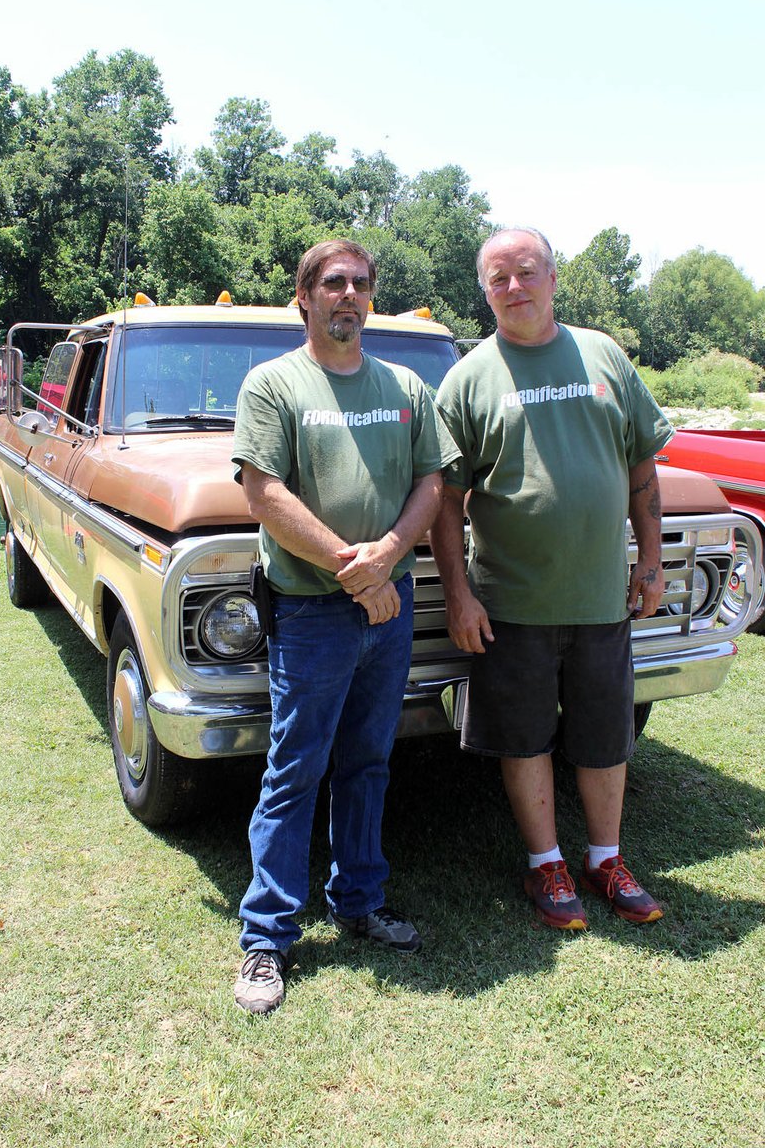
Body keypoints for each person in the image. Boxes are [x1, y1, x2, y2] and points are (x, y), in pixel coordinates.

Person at [231, 238, 460, 1013]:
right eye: (334, 283)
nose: (349, 295)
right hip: (313, 612)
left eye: (361, 284)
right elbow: (264, 493)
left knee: (368, 761)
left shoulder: (405, 386)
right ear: (305, 296)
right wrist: (351, 570)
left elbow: (432, 480)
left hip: (388, 612)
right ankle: (267, 937)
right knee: (294, 770)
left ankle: (360, 901)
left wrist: (391, 552)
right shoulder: (274, 384)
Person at [430, 227, 673, 932]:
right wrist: (458, 592)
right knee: (525, 739)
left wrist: (652, 558)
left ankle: (606, 858)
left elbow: (641, 470)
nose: (514, 287)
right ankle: (546, 863)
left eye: (526, 271)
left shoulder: (603, 355)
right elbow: (445, 499)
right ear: (485, 292)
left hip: (602, 597)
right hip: (511, 605)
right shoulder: (469, 378)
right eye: (498, 278)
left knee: (606, 737)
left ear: (553, 278)